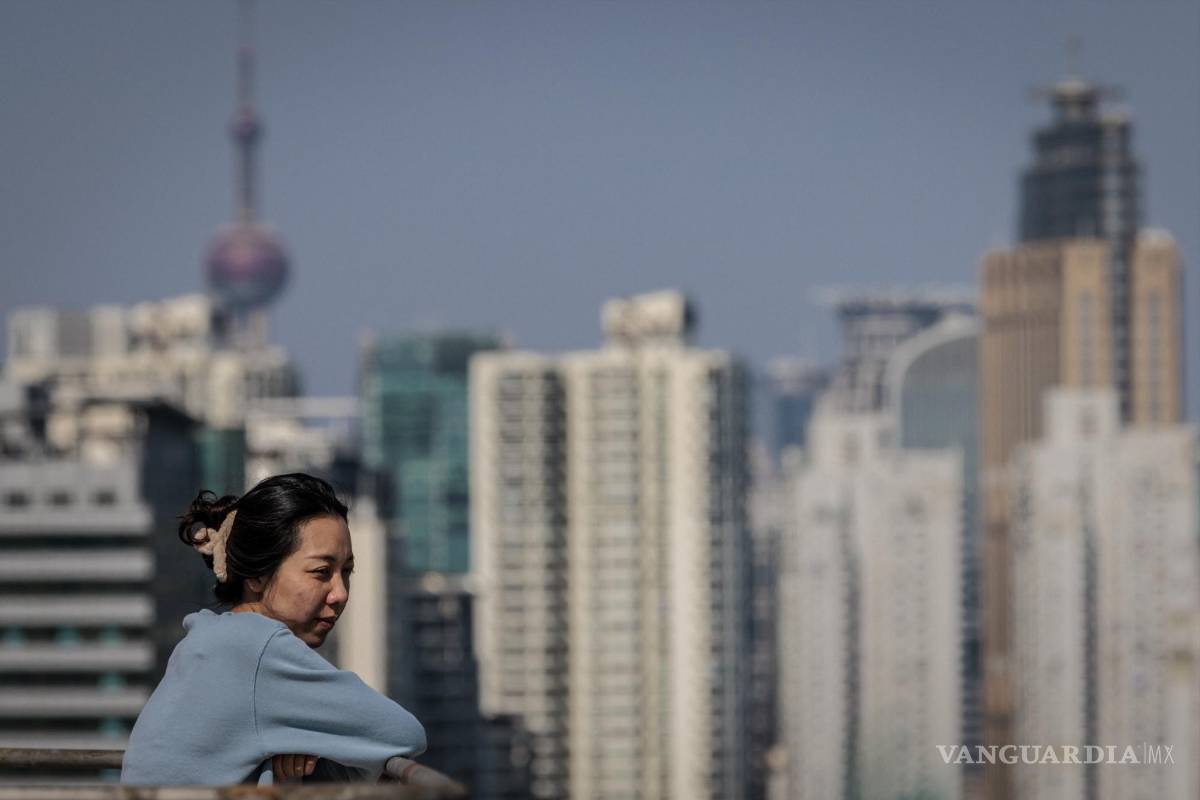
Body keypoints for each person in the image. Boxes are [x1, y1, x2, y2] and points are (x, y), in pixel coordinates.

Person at [121, 473, 425, 785]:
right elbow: (403, 733)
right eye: (321, 572)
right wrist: (311, 740)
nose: (341, 592)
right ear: (256, 576)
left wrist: (300, 742)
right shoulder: (256, 647)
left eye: (346, 571)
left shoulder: (209, 637)